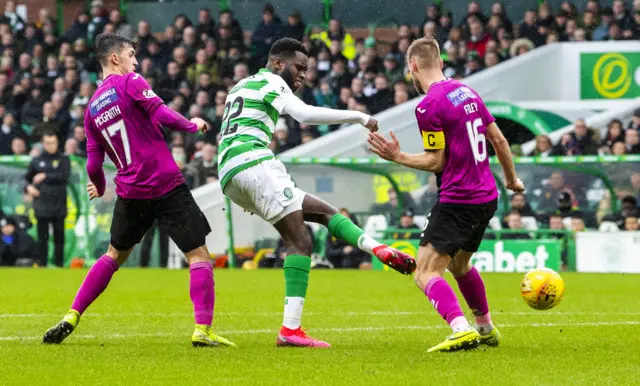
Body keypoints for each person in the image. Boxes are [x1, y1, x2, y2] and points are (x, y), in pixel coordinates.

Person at [218, 37, 416, 348]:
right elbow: (305, 115)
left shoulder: (241, 86)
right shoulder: (271, 80)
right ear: (278, 62)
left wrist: (242, 185)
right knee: (300, 240)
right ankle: (290, 330)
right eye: (298, 67)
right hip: (254, 163)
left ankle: (378, 249)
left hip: (230, 171)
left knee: (324, 212)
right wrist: (358, 117)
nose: (303, 75)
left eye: (307, 70)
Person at [43, 34, 235, 348]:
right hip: (165, 184)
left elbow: (94, 164)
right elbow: (161, 113)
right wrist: (192, 124)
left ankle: (72, 314)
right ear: (115, 58)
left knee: (113, 255)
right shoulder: (130, 81)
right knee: (198, 255)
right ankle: (203, 328)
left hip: (131, 191)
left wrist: (100, 185)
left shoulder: (91, 110)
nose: (136, 60)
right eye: (131, 54)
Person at [367, 37, 525, 353]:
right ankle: (485, 328)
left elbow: (435, 161)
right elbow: (499, 140)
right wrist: (512, 180)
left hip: (459, 199)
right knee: (460, 265)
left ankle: (460, 328)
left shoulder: (429, 104)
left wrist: (397, 157)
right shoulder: (467, 92)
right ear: (440, 62)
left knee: (424, 272)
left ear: (412, 66)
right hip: (486, 196)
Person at [24, 132, 70, 267]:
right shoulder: (36, 160)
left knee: (59, 237)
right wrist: (28, 188)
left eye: (53, 142)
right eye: (48, 143)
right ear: (43, 144)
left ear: (57, 143)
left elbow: (64, 176)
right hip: (41, 204)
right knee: (42, 238)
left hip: (58, 205)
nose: (51, 146)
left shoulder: (64, 159)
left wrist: (45, 175)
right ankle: (42, 264)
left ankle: (59, 264)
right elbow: (25, 179)